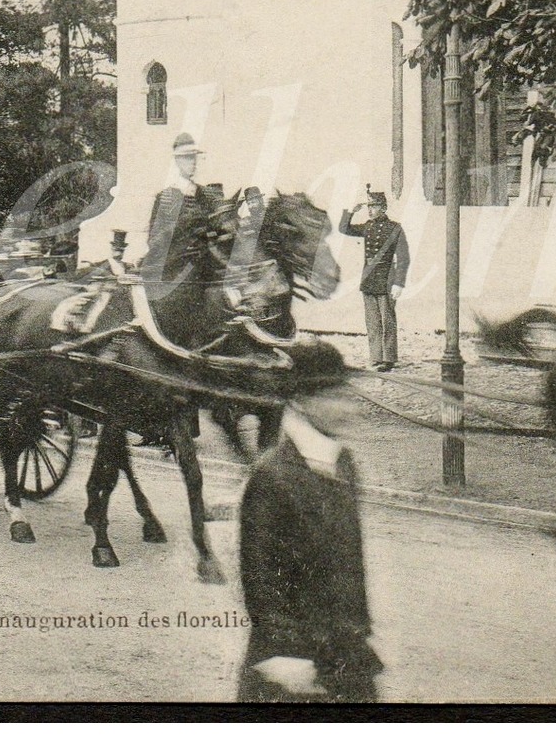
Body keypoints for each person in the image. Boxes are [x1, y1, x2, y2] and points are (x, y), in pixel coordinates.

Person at [238, 375, 382, 703]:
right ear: (302, 402)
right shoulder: (273, 476)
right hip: (292, 666)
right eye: (335, 397)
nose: (348, 407)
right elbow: (260, 574)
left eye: (348, 395)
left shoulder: (342, 463)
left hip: (346, 652)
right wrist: (283, 653)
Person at [139, 133, 222, 350]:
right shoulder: (167, 197)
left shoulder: (205, 194)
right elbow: (155, 239)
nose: (192, 163)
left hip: (206, 264)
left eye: (195, 158)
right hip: (175, 267)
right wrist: (184, 241)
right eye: (187, 158)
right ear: (177, 161)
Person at [338, 190, 410, 371]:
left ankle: (389, 359)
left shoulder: (395, 228)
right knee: (372, 322)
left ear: (383, 208)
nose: (370, 210)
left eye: (374, 206)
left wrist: (399, 282)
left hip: (386, 280)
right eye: (369, 206)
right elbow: (344, 229)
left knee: (387, 321)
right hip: (369, 280)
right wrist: (350, 211)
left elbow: (403, 257)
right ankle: (376, 357)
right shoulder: (368, 227)